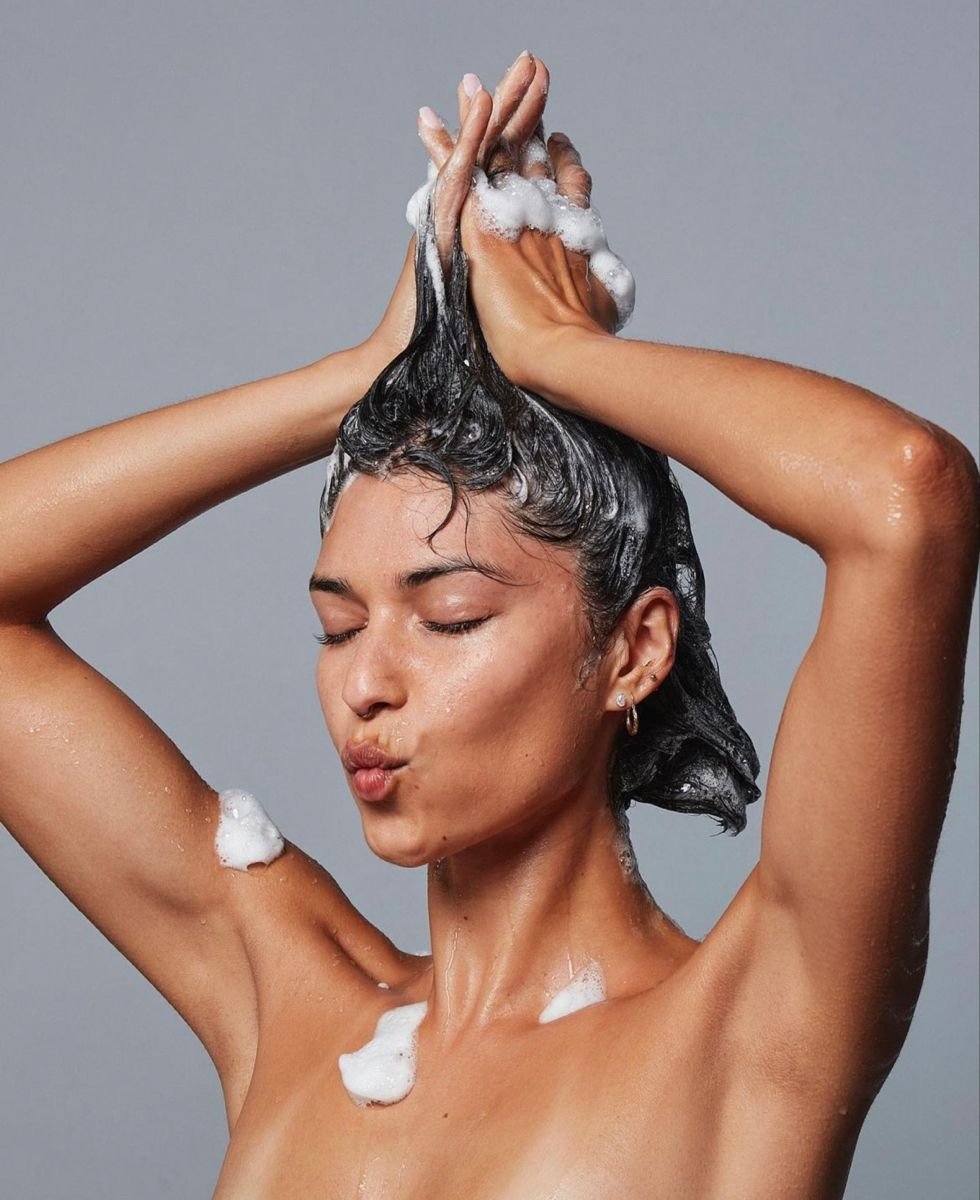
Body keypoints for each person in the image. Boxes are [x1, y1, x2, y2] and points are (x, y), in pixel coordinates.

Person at [0, 50, 977, 1198]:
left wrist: (561, 357)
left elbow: (904, 499)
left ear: (634, 650)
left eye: (450, 617)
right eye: (335, 626)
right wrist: (363, 374)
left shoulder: (750, 1034)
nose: (366, 682)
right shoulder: (291, 1002)